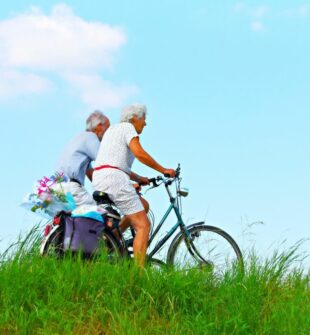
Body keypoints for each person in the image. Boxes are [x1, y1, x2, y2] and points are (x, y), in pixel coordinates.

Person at [92, 103, 175, 267]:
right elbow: (139, 153)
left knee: (142, 205)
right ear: (135, 118)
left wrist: (138, 178)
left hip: (102, 177)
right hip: (113, 179)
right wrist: (163, 169)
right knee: (143, 225)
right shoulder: (128, 128)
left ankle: (114, 238)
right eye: (144, 119)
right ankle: (137, 277)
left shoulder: (113, 130)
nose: (145, 123)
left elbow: (115, 162)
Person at [55, 111, 110, 207]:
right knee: (101, 216)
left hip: (58, 188)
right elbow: (107, 162)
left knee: (75, 219)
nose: (108, 132)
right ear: (99, 126)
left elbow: (90, 173)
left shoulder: (79, 138)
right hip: (71, 188)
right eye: (107, 127)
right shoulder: (91, 137)